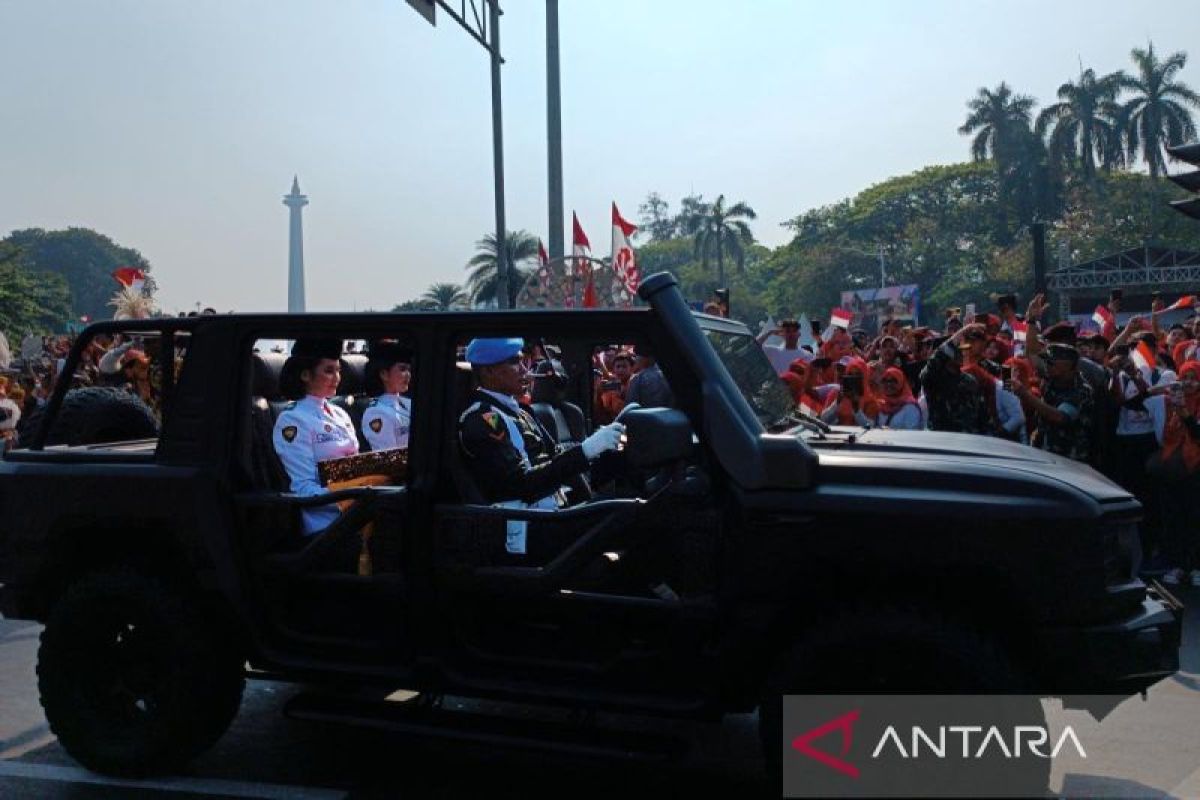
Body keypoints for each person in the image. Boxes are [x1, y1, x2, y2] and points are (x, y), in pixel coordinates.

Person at [458, 338, 624, 511]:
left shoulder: (522, 412)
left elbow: (554, 455)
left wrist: (601, 450)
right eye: (515, 362)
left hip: (551, 509)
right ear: (489, 371)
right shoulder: (481, 419)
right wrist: (586, 450)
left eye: (523, 362)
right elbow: (519, 484)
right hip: (524, 523)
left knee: (626, 499)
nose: (525, 370)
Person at [272, 339, 359, 535]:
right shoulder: (293, 419)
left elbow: (357, 467)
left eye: (338, 370)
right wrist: (354, 496)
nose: (337, 377)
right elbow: (303, 488)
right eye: (329, 371)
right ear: (305, 375)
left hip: (356, 512)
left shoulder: (340, 413)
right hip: (325, 525)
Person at [1145, 361, 1200, 585]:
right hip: (1171, 469)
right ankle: (1177, 564)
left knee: (1196, 517)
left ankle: (1196, 565)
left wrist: (1186, 414)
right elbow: (1137, 400)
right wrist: (1165, 389)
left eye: (1193, 377)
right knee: (1173, 516)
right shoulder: (1166, 402)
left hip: (1196, 470)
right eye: (1183, 377)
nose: (1188, 382)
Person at [1014, 344, 1094, 463]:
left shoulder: (1081, 389)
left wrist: (1024, 394)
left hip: (1068, 457)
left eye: (1051, 362)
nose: (1047, 365)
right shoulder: (1051, 378)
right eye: (1046, 361)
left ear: (1068, 365)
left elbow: (1059, 416)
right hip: (1043, 451)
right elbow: (1031, 352)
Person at [920, 325, 987, 434]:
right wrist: (964, 330)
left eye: (964, 349)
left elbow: (981, 416)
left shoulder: (970, 381)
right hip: (943, 440)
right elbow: (937, 358)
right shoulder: (933, 379)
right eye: (957, 350)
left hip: (969, 440)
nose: (962, 353)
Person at [360, 341, 413, 451]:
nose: (408, 375)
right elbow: (389, 459)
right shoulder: (376, 413)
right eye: (402, 369)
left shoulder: (409, 403)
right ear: (384, 374)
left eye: (409, 369)